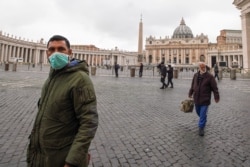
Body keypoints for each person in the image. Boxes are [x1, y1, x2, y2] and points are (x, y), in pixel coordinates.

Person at [26, 35, 99, 167]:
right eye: (52, 49)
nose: (56, 53)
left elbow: (89, 122)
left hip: (63, 158)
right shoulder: (51, 78)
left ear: (70, 52)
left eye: (61, 49)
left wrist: (73, 160)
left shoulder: (80, 79)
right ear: (47, 53)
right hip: (43, 156)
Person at [188, 62, 220, 136]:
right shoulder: (195, 75)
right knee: (198, 112)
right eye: (201, 67)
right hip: (196, 98)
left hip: (205, 98)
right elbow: (193, 85)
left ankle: (201, 127)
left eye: (204, 67)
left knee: (202, 114)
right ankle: (203, 118)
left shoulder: (210, 76)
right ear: (199, 68)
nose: (203, 68)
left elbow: (214, 88)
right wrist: (190, 93)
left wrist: (216, 96)